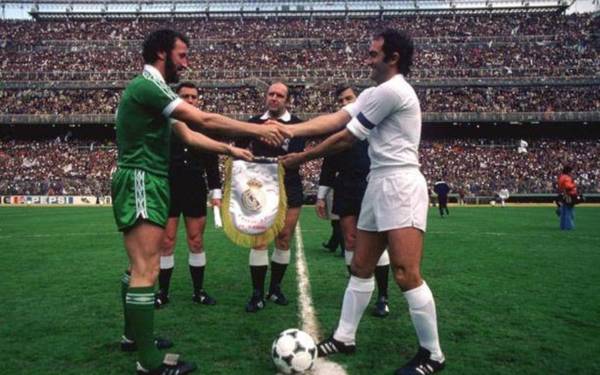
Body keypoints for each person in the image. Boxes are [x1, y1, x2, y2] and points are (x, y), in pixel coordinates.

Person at [113, 29, 289, 375]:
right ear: (162, 53)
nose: (186, 62)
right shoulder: (148, 86)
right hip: (142, 179)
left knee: (138, 266)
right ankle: (148, 362)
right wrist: (257, 129)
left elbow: (189, 135)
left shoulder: (153, 91)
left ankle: (134, 336)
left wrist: (229, 149)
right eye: (182, 55)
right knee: (146, 268)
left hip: (148, 179)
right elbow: (203, 120)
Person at [280, 29, 445, 374]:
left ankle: (432, 355)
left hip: (400, 183)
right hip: (378, 182)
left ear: (393, 58)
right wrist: (292, 131)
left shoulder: (394, 90)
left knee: (405, 273)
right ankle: (344, 337)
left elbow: (345, 137)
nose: (367, 59)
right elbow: (337, 119)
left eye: (373, 54)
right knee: (360, 266)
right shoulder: (374, 92)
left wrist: (302, 157)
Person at [315, 84, 391, 317]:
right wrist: (321, 196)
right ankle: (355, 287)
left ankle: (383, 296)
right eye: (341, 100)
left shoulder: (375, 124)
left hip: (372, 184)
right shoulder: (338, 130)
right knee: (349, 239)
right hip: (345, 186)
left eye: (349, 98)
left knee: (377, 243)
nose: (345, 102)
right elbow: (328, 166)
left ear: (358, 100)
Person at [234, 82, 305, 313]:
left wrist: (270, 139)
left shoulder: (297, 125)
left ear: (287, 100)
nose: (274, 98)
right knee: (260, 239)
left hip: (289, 184)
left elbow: (295, 153)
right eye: (271, 94)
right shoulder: (253, 123)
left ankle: (275, 288)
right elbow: (240, 150)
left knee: (284, 239)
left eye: (279, 95)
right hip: (260, 188)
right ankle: (256, 293)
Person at [154, 82, 221, 309]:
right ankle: (163, 292)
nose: (190, 100)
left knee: (196, 240)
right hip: (168, 187)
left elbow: (212, 162)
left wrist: (216, 191)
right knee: (166, 242)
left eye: (194, 96)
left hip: (195, 187)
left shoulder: (205, 126)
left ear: (198, 99)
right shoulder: (165, 124)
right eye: (185, 96)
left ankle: (198, 291)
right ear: (177, 98)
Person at [557, 165, 578, 230]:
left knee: (564, 212)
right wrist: (574, 184)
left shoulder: (561, 177)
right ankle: (568, 227)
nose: (572, 173)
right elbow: (568, 186)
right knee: (569, 212)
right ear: (568, 172)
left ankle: (563, 226)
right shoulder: (567, 178)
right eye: (571, 172)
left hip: (563, 195)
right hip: (569, 195)